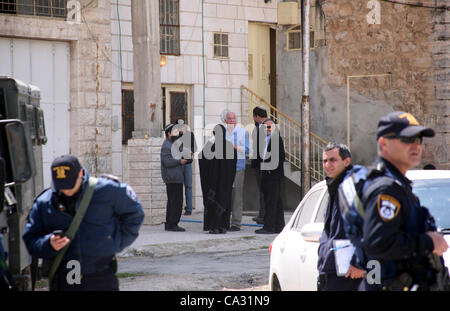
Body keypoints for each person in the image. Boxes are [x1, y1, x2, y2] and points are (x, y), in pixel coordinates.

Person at [22, 154, 144, 291]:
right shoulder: (45, 203)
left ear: (80, 173)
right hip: (66, 276)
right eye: (61, 185)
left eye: (70, 184)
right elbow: (30, 239)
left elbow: (134, 214)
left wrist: (116, 242)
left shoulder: (107, 191)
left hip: (100, 274)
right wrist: (48, 244)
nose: (66, 190)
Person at [360, 111, 448, 291]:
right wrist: (428, 242)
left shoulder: (400, 186)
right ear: (383, 143)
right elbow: (378, 243)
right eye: (407, 139)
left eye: (419, 140)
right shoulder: (385, 189)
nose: (415, 146)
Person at [317, 143, 365, 291]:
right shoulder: (335, 186)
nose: (327, 165)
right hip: (333, 268)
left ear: (347, 161)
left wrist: (359, 262)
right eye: (325, 161)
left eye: (333, 160)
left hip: (350, 272)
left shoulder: (353, 186)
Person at [199, 124, 237, 234]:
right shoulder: (230, 146)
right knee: (224, 201)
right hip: (225, 184)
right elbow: (234, 164)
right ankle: (223, 226)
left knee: (213, 202)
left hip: (213, 184)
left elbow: (202, 159)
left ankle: (213, 226)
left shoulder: (210, 146)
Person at [255, 119, 285, 234]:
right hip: (266, 173)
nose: (267, 129)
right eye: (265, 127)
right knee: (276, 201)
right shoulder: (263, 140)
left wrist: (272, 167)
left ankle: (269, 227)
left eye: (270, 127)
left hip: (273, 174)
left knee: (271, 201)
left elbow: (281, 156)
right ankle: (279, 226)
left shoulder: (276, 139)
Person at [222, 110, 250, 232]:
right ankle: (224, 221)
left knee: (237, 196)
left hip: (238, 167)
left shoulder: (242, 132)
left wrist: (235, 147)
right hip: (225, 167)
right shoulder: (222, 133)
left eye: (233, 118)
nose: (232, 120)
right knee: (225, 195)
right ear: (225, 120)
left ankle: (236, 223)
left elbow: (247, 149)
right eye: (229, 118)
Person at [161, 124, 189, 232]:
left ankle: (171, 223)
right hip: (172, 178)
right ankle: (172, 224)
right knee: (174, 202)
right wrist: (179, 161)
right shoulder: (166, 146)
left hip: (177, 177)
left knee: (176, 202)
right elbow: (167, 162)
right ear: (169, 134)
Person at [175, 119, 197, 216]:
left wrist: (191, 151)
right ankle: (178, 207)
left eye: (183, 125)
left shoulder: (190, 135)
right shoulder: (174, 136)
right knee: (178, 187)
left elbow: (194, 148)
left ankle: (189, 209)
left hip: (187, 163)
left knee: (188, 186)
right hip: (178, 164)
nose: (181, 127)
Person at [251, 106, 268, 225]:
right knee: (263, 190)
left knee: (264, 190)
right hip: (262, 163)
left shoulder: (264, 127)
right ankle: (263, 214)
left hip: (263, 164)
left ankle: (264, 215)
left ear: (257, 116)